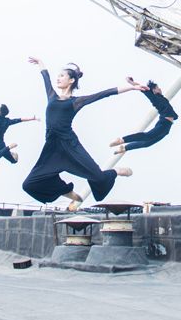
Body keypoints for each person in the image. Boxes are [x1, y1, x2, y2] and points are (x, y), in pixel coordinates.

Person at [21, 58, 145, 211]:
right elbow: (45, 78)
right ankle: (65, 190)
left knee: (99, 178)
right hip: (52, 148)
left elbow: (104, 94)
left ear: (71, 80)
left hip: (69, 144)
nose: (58, 78)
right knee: (29, 185)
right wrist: (41, 63)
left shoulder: (75, 102)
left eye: (62, 76)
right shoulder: (52, 96)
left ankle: (116, 171)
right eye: (58, 76)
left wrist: (132, 88)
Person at [109, 78, 178, 155]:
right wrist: (132, 82)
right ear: (154, 90)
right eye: (158, 88)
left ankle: (125, 148)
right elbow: (143, 88)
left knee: (147, 143)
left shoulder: (163, 98)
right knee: (147, 136)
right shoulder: (155, 98)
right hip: (164, 123)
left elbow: (171, 112)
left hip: (167, 127)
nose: (160, 89)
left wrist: (174, 116)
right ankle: (121, 140)